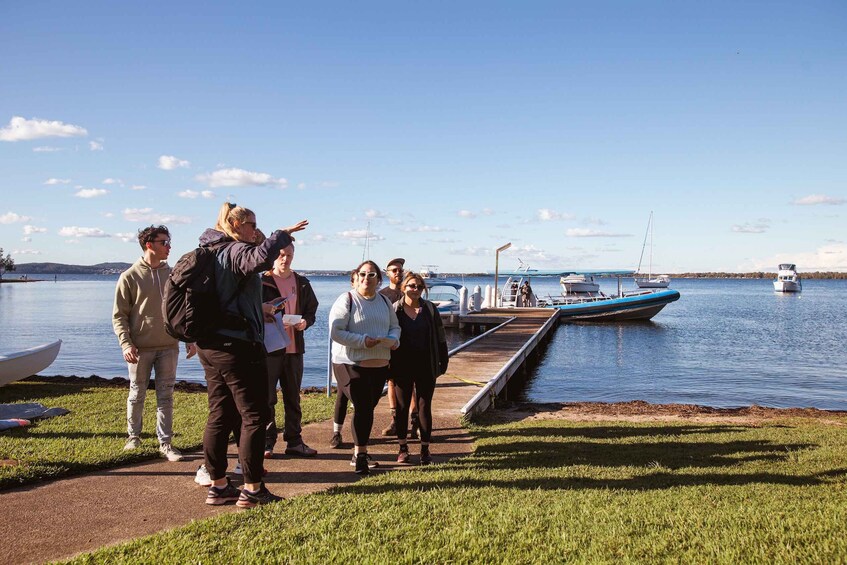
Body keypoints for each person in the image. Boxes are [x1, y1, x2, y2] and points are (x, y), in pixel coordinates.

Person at [196, 202, 308, 508]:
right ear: (235, 224)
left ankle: (218, 487)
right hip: (236, 345)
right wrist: (281, 234)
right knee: (255, 416)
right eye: (252, 224)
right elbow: (260, 257)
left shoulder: (211, 251)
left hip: (211, 344)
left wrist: (260, 308)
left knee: (220, 414)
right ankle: (252, 488)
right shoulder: (233, 250)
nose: (256, 230)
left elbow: (226, 299)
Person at [113, 225, 192, 462]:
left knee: (166, 395)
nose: (169, 246)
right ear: (149, 245)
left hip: (169, 346)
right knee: (137, 394)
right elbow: (119, 316)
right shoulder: (129, 276)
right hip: (140, 348)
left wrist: (189, 337)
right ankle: (133, 437)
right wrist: (126, 344)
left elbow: (185, 309)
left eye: (169, 242)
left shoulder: (173, 274)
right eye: (164, 242)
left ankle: (165, 443)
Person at [329, 260, 400, 475]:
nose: (366, 278)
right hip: (349, 363)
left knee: (367, 408)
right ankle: (360, 455)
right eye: (362, 274)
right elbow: (336, 332)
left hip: (379, 363)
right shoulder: (347, 300)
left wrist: (394, 340)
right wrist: (362, 341)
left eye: (371, 275)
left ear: (379, 279)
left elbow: (395, 326)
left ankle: (360, 452)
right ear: (355, 277)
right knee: (361, 406)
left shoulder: (385, 302)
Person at [261, 243, 319, 458]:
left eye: (289, 255)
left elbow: (311, 309)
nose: (285, 259)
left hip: (294, 348)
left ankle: (294, 441)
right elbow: (251, 311)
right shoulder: (262, 282)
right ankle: (267, 442)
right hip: (270, 347)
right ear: (273, 256)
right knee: (267, 398)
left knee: (293, 397)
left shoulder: (301, 282)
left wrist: (306, 322)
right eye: (282, 255)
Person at [390, 272, 449, 465]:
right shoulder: (394, 310)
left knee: (424, 407)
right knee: (402, 407)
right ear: (403, 288)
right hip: (401, 366)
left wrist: (443, 360)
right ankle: (403, 448)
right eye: (411, 286)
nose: (415, 290)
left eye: (419, 287)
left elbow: (440, 337)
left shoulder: (430, 309)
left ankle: (425, 449)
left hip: (426, 365)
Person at [379, 258, 405, 437]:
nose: (398, 273)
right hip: (390, 345)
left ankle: (414, 420)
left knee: (411, 384)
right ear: (387, 273)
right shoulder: (382, 295)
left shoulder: (410, 290)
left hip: (409, 344)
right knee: (392, 382)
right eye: (394, 270)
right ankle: (395, 420)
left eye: (400, 270)